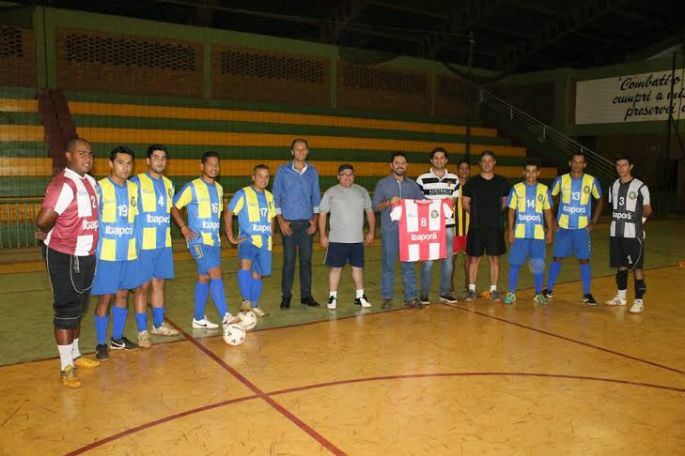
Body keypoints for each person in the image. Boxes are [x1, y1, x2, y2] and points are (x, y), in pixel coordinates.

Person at [36, 138, 101, 388]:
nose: (87, 158)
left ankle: (75, 354)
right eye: (81, 153)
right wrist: (54, 233)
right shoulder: (63, 185)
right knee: (65, 310)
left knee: (79, 307)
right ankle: (66, 366)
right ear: (69, 156)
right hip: (65, 256)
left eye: (90, 154)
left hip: (86, 255)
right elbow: (43, 221)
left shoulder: (90, 182)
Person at [171, 151, 241, 330]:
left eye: (217, 164)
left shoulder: (219, 188)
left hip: (214, 242)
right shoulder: (192, 187)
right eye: (210, 164)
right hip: (198, 241)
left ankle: (198, 318)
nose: (214, 167)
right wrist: (184, 228)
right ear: (202, 166)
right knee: (215, 273)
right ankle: (225, 315)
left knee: (203, 278)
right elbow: (174, 207)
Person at [92, 146, 142, 360]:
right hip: (107, 255)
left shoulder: (134, 189)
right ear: (110, 164)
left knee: (123, 295)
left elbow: (136, 220)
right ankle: (101, 343)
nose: (125, 167)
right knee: (106, 297)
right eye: (121, 162)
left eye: (129, 163)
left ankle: (117, 338)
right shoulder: (99, 188)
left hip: (129, 253)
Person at [130, 145, 178, 349]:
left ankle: (158, 324)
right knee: (142, 287)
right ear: (148, 161)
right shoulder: (136, 182)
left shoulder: (169, 184)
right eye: (156, 157)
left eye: (163, 158)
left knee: (159, 284)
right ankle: (142, 331)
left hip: (163, 244)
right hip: (143, 245)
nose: (160, 161)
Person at [543, 152, 603, 305]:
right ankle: (548, 290)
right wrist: (553, 221)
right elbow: (549, 200)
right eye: (575, 162)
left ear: (585, 164)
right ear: (570, 163)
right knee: (557, 258)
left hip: (582, 228)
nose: (577, 164)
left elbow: (600, 199)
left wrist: (594, 221)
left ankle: (587, 294)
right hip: (563, 227)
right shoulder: (561, 180)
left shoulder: (591, 181)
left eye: (580, 162)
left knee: (584, 260)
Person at [272, 138, 321, 309]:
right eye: (297, 149)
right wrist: (281, 221)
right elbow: (275, 196)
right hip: (289, 224)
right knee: (289, 261)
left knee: (306, 261)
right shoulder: (282, 171)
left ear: (307, 152)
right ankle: (286, 296)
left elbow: (316, 197)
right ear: (292, 152)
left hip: (307, 225)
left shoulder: (313, 172)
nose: (300, 151)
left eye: (303, 149)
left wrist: (315, 221)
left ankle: (306, 295)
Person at [318, 164, 375, 310]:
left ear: (354, 176)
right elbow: (323, 214)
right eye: (344, 174)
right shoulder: (331, 192)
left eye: (350, 174)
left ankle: (360, 296)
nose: (347, 177)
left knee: (358, 268)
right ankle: (332, 297)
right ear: (338, 176)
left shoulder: (362, 191)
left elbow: (369, 212)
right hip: (337, 239)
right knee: (335, 268)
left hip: (357, 239)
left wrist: (371, 231)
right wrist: (323, 234)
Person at [372, 152, 424, 309]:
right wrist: (388, 202)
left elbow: (422, 204)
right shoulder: (383, 184)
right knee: (388, 265)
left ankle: (411, 297)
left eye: (403, 162)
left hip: (409, 232)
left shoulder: (413, 185)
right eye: (397, 162)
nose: (400, 165)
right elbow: (375, 206)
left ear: (406, 166)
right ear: (391, 165)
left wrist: (440, 204)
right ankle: (387, 297)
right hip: (390, 231)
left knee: (408, 265)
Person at [225, 164, 276, 318]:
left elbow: (272, 217)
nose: (263, 179)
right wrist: (231, 237)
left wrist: (271, 236)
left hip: (264, 242)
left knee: (257, 275)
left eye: (267, 176)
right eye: (260, 176)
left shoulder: (269, 197)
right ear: (253, 177)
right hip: (248, 239)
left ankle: (254, 305)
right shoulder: (243, 194)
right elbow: (228, 213)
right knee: (245, 265)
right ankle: (246, 300)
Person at [604, 155, 651, 314]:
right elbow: (614, 208)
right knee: (621, 265)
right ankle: (621, 296)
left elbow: (647, 209)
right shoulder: (613, 186)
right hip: (616, 232)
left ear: (631, 166)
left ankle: (639, 301)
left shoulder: (640, 186)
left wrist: (640, 222)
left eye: (624, 165)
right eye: (618, 165)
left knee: (637, 267)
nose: (621, 168)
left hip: (633, 234)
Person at [503, 161, 554, 305]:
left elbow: (548, 212)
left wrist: (550, 230)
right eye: (528, 171)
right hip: (519, 234)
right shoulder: (516, 189)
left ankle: (538, 293)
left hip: (538, 235)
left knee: (538, 264)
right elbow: (511, 211)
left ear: (538, 173)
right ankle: (511, 293)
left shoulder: (544, 190)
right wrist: (510, 230)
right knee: (515, 264)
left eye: (534, 171)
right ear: (523, 173)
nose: (530, 174)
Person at [461, 151, 510, 301]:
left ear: (494, 162)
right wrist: (478, 215)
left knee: (494, 259)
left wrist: (493, 215)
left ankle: (494, 290)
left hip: (495, 227)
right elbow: (465, 203)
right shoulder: (472, 182)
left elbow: (505, 203)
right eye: (484, 161)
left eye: (490, 160)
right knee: (474, 258)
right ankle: (471, 290)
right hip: (476, 227)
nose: (487, 163)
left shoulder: (502, 182)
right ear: (480, 164)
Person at [416, 147, 459, 305]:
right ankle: (424, 294)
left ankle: (445, 292)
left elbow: (452, 202)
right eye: (436, 158)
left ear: (446, 160)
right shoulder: (422, 179)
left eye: (442, 158)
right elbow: (420, 202)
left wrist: (439, 209)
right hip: (429, 226)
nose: (439, 160)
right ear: (431, 160)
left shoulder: (454, 179)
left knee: (448, 259)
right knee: (427, 260)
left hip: (448, 226)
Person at [451, 159, 471, 294]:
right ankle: (450, 286)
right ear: (457, 170)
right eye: (461, 168)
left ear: (469, 171)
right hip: (452, 229)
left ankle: (468, 286)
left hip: (470, 229)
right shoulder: (451, 186)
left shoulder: (474, 186)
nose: (464, 171)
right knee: (451, 260)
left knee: (468, 259)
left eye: (466, 168)